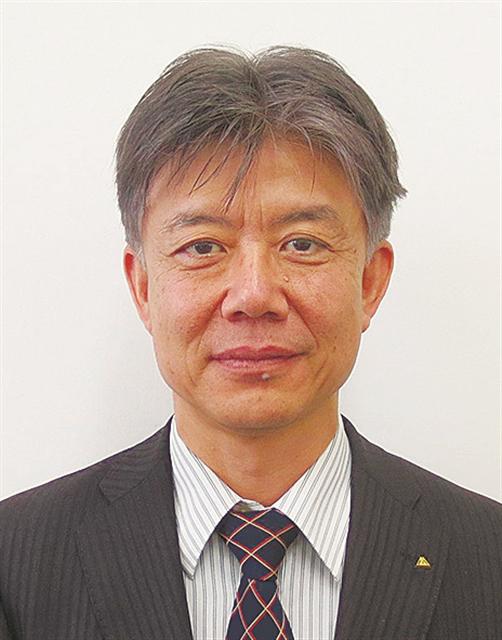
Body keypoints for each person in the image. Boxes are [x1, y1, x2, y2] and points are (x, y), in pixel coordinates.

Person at [0, 45, 500, 640]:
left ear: (370, 281)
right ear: (143, 288)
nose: (254, 295)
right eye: (203, 247)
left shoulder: (487, 556)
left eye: (303, 244)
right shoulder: (15, 561)